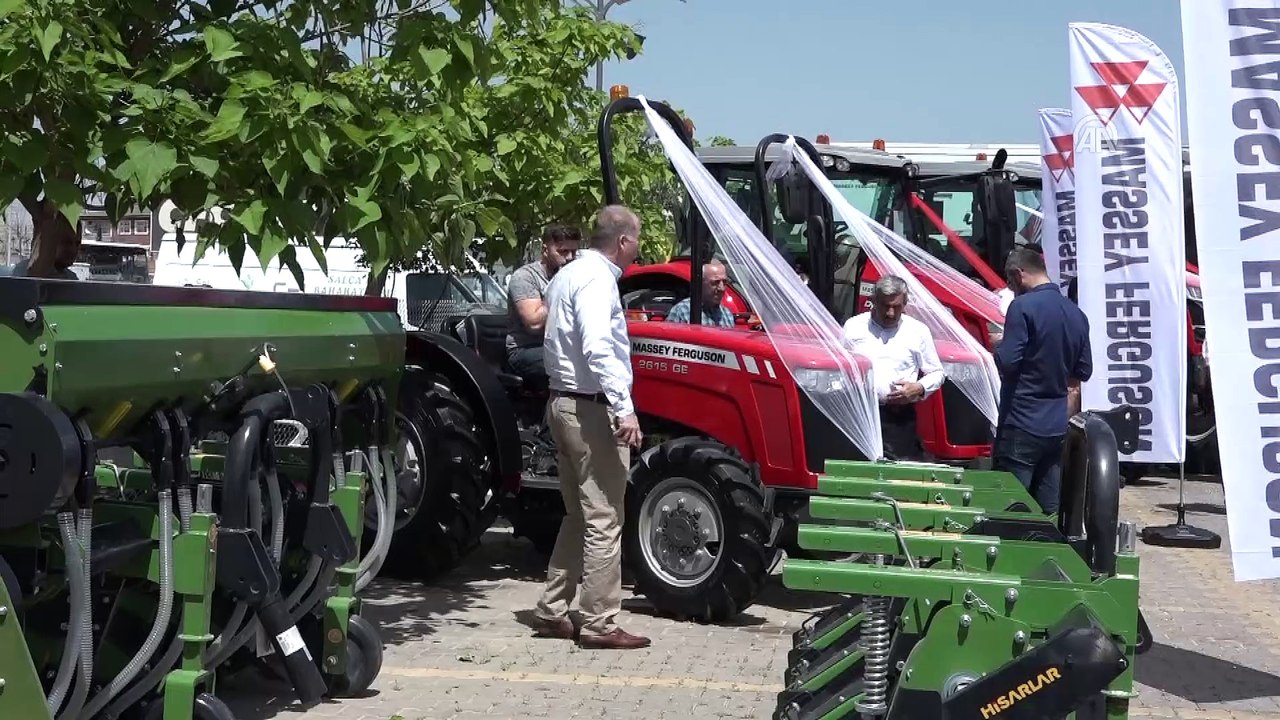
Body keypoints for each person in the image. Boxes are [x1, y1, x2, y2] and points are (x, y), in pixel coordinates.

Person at [531, 205, 649, 650]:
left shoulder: (567, 275)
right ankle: (599, 621)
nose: (638, 248)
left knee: (579, 514)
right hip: (590, 409)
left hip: (562, 403)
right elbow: (598, 347)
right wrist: (624, 408)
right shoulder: (598, 281)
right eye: (637, 240)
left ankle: (552, 608)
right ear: (622, 241)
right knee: (604, 516)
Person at [992, 247, 1092, 514]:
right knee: (1049, 508)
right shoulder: (1076, 314)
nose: (1011, 289)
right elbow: (1083, 370)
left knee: (1009, 506)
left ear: (1018, 274)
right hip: (1056, 425)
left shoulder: (1022, 307)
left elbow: (1008, 362)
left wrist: (998, 346)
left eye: (1010, 282)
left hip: (1021, 419)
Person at [843, 275, 945, 461]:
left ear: (905, 304)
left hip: (898, 419)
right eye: (885, 306)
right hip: (859, 415)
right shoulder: (853, 327)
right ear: (874, 301)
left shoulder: (918, 331)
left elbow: (937, 372)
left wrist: (919, 387)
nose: (890, 313)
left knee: (897, 471)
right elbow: (839, 367)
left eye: (896, 307)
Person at [505, 225, 582, 389]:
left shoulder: (575, 276)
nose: (570, 257)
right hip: (527, 349)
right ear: (545, 249)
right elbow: (534, 324)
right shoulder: (525, 277)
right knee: (570, 365)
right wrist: (561, 291)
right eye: (563, 251)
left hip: (563, 345)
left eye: (574, 252)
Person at [664, 259, 734, 328]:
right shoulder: (682, 312)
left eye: (724, 282)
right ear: (700, 283)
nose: (721, 288)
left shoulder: (727, 315)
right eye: (715, 282)